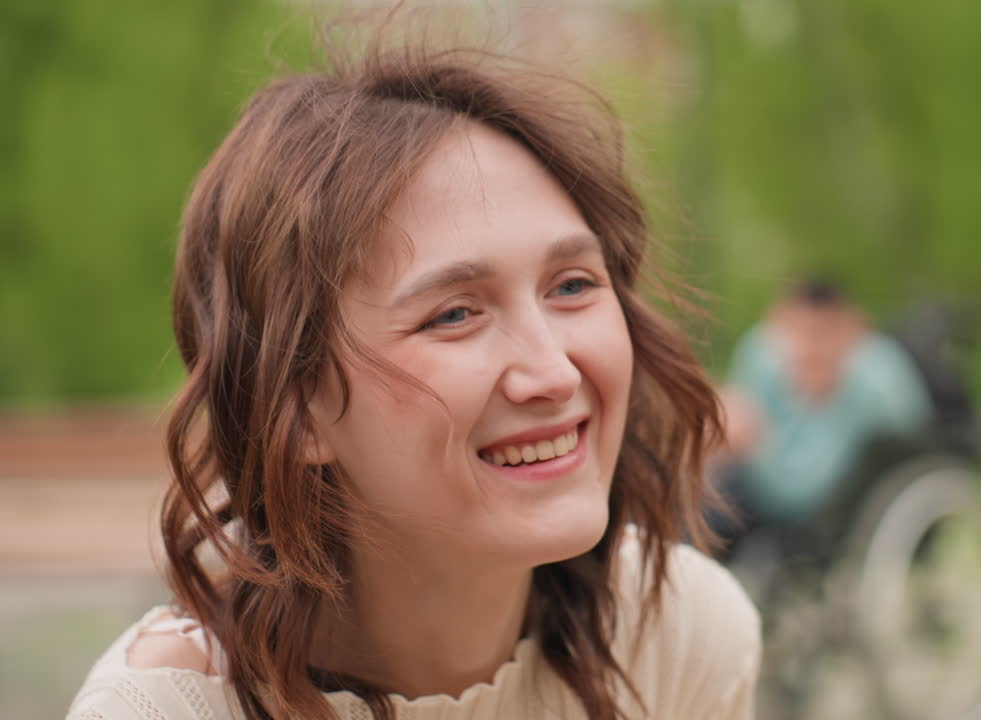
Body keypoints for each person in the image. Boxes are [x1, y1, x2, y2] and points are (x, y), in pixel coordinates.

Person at [66, 28, 760, 720]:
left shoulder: (678, 639)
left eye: (572, 285)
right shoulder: (165, 710)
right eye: (455, 314)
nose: (551, 371)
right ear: (297, 410)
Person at [712, 280, 933, 563]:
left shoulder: (881, 384)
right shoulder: (762, 356)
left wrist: (754, 445)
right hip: (759, 488)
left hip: (837, 506)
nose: (809, 348)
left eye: (822, 334)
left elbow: (801, 493)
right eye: (797, 332)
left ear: (852, 330)